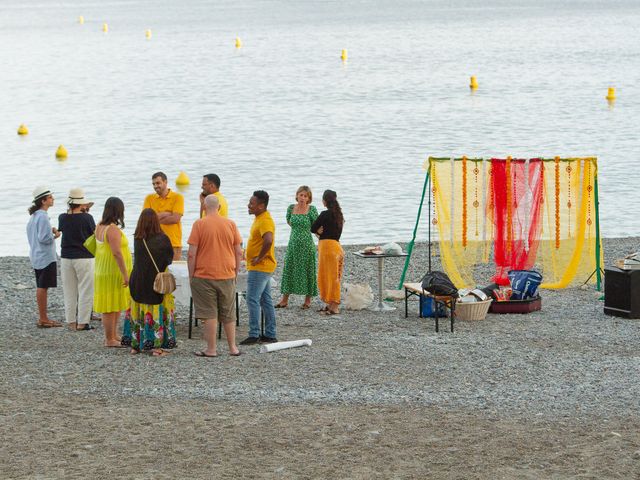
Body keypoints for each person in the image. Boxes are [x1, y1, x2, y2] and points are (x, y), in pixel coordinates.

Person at [188, 195, 242, 357]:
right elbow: (238, 251)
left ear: (204, 207)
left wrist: (191, 275)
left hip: (204, 274)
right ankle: (233, 347)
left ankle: (211, 349)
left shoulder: (199, 224)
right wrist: (236, 271)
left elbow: (191, 254)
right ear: (219, 207)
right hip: (226, 273)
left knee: (209, 312)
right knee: (228, 312)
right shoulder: (230, 224)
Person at [124, 208, 176, 356]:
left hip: (137, 280)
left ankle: (136, 345)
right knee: (155, 312)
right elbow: (169, 259)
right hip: (154, 282)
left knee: (138, 311)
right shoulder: (162, 239)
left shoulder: (137, 238)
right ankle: (156, 347)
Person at [240, 190, 278, 345]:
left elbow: (268, 240)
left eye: (252, 203)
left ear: (261, 206)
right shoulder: (260, 218)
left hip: (260, 267)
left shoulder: (265, 221)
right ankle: (270, 333)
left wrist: (260, 257)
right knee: (265, 300)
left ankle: (254, 333)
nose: (248, 205)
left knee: (252, 299)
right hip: (263, 267)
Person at [93, 197, 132, 347]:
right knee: (110, 305)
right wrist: (125, 274)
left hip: (103, 269)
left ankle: (114, 335)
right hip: (112, 271)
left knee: (114, 303)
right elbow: (117, 253)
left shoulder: (99, 226)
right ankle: (109, 338)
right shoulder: (112, 229)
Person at [58, 188, 96, 331]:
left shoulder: (62, 217)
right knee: (86, 290)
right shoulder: (87, 218)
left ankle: (71, 322)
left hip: (66, 257)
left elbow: (66, 226)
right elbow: (94, 233)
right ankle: (82, 322)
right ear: (81, 204)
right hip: (84, 256)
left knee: (69, 290)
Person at [276, 186, 319, 309]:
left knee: (308, 269)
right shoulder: (291, 208)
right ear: (297, 195)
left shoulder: (312, 209)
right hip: (293, 244)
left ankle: (307, 300)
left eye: (305, 196)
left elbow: (316, 227)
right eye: (301, 195)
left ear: (309, 198)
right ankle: (284, 300)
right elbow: (290, 222)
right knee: (289, 268)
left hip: (307, 245)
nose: (302, 198)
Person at [27, 186, 62, 328]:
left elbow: (35, 235)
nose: (53, 199)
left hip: (36, 254)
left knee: (41, 286)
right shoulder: (42, 216)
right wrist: (55, 235)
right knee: (43, 286)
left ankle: (43, 317)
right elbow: (44, 238)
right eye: (50, 197)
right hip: (45, 256)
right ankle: (43, 318)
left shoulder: (34, 216)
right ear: (43, 201)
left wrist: (50, 230)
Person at [311, 189, 345, 315]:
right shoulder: (339, 216)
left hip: (327, 248)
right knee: (335, 276)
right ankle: (331, 304)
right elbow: (338, 234)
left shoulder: (325, 214)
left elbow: (313, 228)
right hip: (337, 247)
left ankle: (335, 305)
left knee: (328, 277)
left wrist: (320, 232)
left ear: (324, 201)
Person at [143, 172, 184, 260]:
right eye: (153, 184)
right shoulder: (149, 198)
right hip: (154, 243)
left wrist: (154, 219)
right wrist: (166, 214)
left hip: (173, 243)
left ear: (165, 182)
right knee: (156, 273)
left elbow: (175, 219)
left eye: (158, 183)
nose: (155, 186)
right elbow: (145, 220)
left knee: (173, 272)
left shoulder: (178, 197)